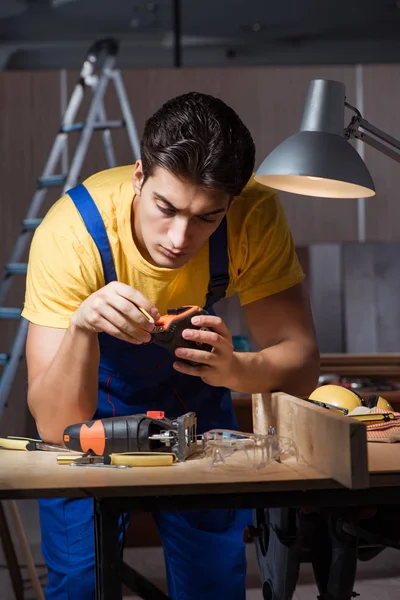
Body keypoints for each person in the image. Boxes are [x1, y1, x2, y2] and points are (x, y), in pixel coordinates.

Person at [22, 91, 319, 600]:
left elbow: (302, 363)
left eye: (208, 218)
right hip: (88, 421)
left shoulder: (254, 213)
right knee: (80, 581)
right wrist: (80, 328)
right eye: (166, 207)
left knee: (214, 582)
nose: (180, 238)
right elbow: (55, 424)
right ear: (139, 176)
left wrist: (233, 369)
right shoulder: (72, 234)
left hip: (195, 415)